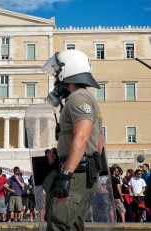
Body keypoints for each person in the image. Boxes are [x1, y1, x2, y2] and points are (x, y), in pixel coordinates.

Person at [41, 49, 104, 230]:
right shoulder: (85, 98)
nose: (55, 79)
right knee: (73, 225)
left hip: (76, 174)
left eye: (57, 73)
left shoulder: (78, 98)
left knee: (59, 224)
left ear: (67, 72)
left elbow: (82, 137)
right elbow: (99, 140)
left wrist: (67, 174)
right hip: (82, 171)